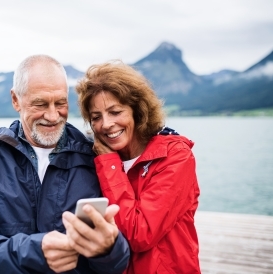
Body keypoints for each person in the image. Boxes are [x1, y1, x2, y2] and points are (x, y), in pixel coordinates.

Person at [0, 55, 130, 274]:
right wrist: (33, 252)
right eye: (40, 104)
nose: (53, 115)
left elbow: (120, 261)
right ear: (16, 100)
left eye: (61, 103)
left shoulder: (96, 156)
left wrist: (108, 249)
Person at [70, 61, 201, 273]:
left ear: (137, 110)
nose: (105, 124)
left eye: (115, 112)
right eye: (96, 117)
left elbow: (140, 234)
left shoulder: (175, 156)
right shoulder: (97, 157)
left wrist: (109, 165)